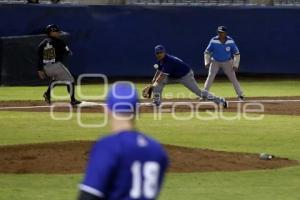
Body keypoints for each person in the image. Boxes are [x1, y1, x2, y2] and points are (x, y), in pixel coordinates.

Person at [78, 82, 169, 200]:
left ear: (107, 110)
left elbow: (88, 196)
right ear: (137, 111)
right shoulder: (157, 150)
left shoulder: (107, 146)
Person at [149, 45, 227, 108]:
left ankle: (220, 100)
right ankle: (156, 102)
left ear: (164, 52)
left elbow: (162, 76)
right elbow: (159, 70)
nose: (159, 54)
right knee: (157, 82)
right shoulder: (161, 59)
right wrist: (153, 80)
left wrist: (153, 85)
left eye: (160, 52)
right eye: (157, 53)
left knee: (198, 92)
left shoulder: (169, 61)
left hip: (186, 76)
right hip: (175, 75)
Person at [37, 24, 81, 106]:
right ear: (51, 32)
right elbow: (67, 52)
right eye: (56, 31)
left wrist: (40, 70)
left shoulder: (42, 44)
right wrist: (67, 51)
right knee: (70, 81)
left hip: (46, 68)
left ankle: (47, 94)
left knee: (56, 80)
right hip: (56, 66)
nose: (58, 33)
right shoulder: (59, 42)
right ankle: (73, 100)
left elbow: (39, 58)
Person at [203, 26, 244, 101]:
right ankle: (204, 96)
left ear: (226, 33)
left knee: (233, 78)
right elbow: (207, 52)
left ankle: (240, 95)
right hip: (215, 61)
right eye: (219, 32)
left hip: (227, 62)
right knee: (210, 78)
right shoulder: (213, 41)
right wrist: (207, 62)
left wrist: (235, 65)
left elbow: (237, 54)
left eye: (222, 32)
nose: (221, 34)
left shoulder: (230, 41)